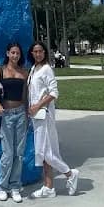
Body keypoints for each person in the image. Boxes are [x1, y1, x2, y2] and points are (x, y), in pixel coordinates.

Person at [27, 41, 78, 198]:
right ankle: (48, 187)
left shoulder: (47, 69)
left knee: (47, 151)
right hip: (36, 116)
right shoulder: (34, 69)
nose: (38, 54)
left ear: (45, 53)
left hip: (44, 114)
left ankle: (70, 173)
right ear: (31, 53)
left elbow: (53, 92)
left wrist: (37, 105)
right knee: (42, 152)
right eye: (35, 51)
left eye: (40, 51)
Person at [0, 40, 28, 203]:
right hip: (6, 114)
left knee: (19, 154)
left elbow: (25, 95)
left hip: (21, 114)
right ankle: (3, 187)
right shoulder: (1, 69)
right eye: (12, 52)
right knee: (7, 153)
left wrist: (28, 112)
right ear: (7, 54)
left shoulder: (24, 72)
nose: (15, 55)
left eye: (17, 53)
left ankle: (15, 186)